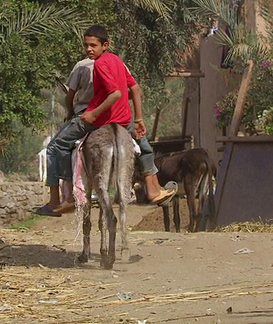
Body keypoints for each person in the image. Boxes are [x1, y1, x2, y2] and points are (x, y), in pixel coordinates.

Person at [35, 25, 176, 216]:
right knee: (143, 144)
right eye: (86, 45)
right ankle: (153, 187)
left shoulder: (89, 65)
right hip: (124, 118)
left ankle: (61, 198)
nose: (88, 49)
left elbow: (83, 95)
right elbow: (134, 89)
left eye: (92, 45)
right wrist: (138, 119)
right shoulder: (118, 61)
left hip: (96, 116)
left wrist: (83, 113)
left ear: (104, 45)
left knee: (54, 147)